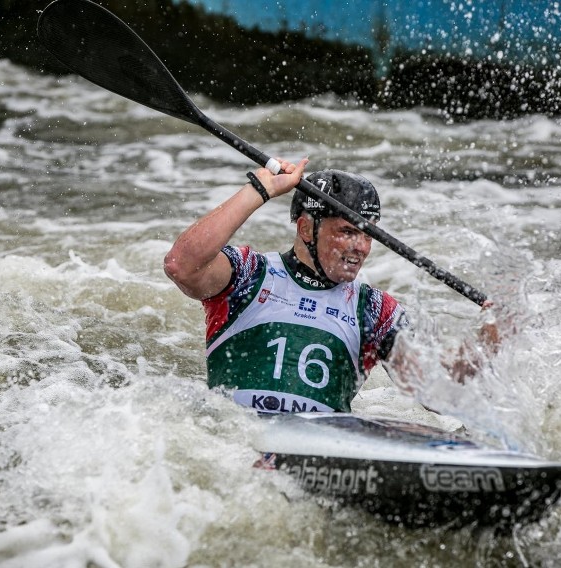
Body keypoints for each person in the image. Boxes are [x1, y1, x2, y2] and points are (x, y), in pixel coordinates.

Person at [163, 158, 497, 414]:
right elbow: (182, 265)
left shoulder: (373, 310)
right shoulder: (248, 276)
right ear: (306, 230)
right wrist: (260, 190)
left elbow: (437, 391)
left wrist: (491, 338)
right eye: (348, 232)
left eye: (369, 234)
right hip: (236, 443)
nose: (361, 247)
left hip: (321, 451)